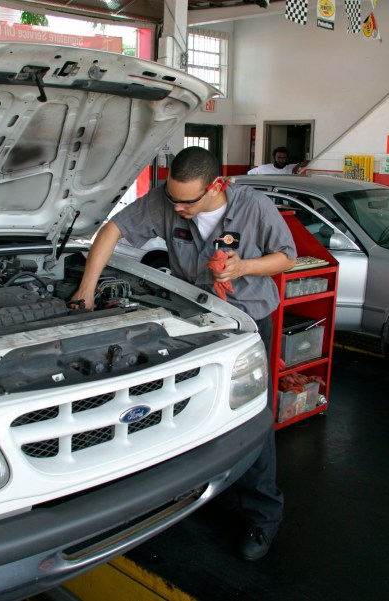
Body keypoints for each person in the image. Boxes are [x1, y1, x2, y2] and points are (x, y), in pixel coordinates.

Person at [72, 146, 297, 561]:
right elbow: (112, 231)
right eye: (172, 199)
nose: (176, 208)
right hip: (192, 323)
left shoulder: (255, 207)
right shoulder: (167, 200)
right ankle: (194, 492)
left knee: (251, 419)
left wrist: (243, 268)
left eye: (186, 202)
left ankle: (264, 516)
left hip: (245, 326)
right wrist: (86, 290)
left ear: (217, 185)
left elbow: (286, 256)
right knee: (186, 413)